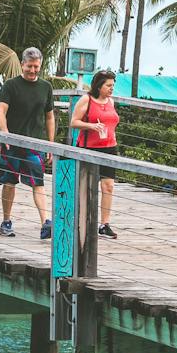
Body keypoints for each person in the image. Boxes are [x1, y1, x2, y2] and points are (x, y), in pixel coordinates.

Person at [0, 47, 56, 239]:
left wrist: (50, 144)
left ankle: (45, 223)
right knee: (10, 183)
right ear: (22, 64)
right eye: (29, 66)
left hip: (34, 144)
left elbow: (50, 117)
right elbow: (1, 112)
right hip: (11, 143)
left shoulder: (46, 87)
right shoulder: (11, 85)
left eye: (36, 67)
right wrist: (5, 134)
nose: (33, 70)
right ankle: (6, 221)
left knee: (38, 183)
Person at [69, 68, 121, 239]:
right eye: (108, 85)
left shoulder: (111, 102)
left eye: (113, 85)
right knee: (86, 187)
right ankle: (81, 220)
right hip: (89, 148)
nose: (111, 89)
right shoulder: (87, 100)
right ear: (99, 86)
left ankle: (104, 224)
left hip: (109, 147)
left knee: (108, 186)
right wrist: (91, 126)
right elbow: (74, 122)